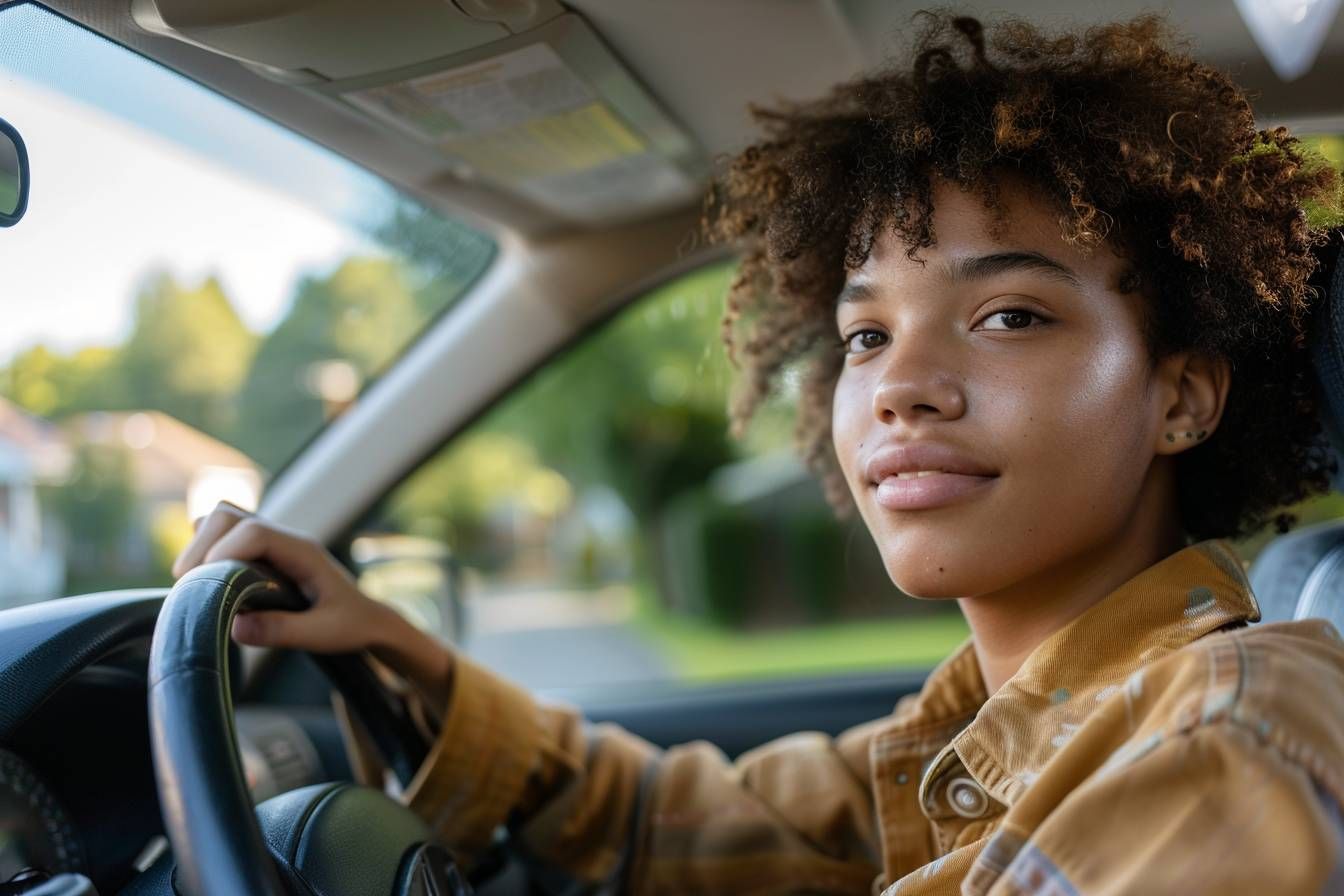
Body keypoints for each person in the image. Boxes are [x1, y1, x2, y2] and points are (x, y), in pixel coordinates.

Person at [173, 12, 1344, 895]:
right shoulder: (974, 727)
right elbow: (660, 817)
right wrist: (405, 650)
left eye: (1009, 316)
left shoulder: (1227, 739)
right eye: (866, 335)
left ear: (1182, 395)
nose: (900, 388)